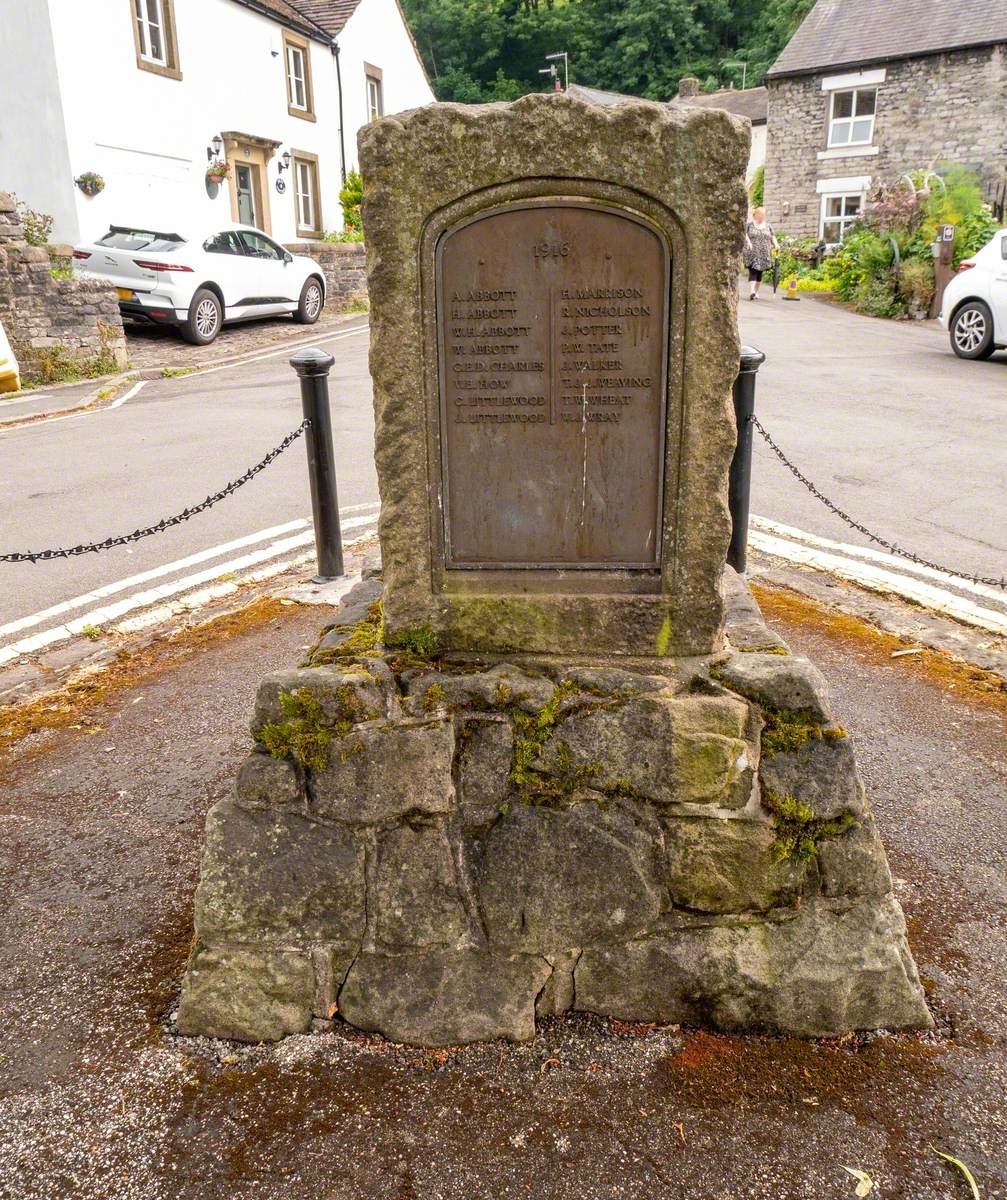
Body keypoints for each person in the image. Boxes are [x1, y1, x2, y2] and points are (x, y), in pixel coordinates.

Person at [743, 207, 779, 301]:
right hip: (752, 251)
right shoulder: (749, 225)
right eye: (759, 214)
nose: (761, 216)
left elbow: (772, 237)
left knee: (759, 273)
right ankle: (752, 292)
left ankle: (756, 291)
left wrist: (776, 245)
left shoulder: (768, 226)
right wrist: (749, 242)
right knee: (753, 270)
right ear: (755, 215)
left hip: (764, 252)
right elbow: (745, 235)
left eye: (763, 215)